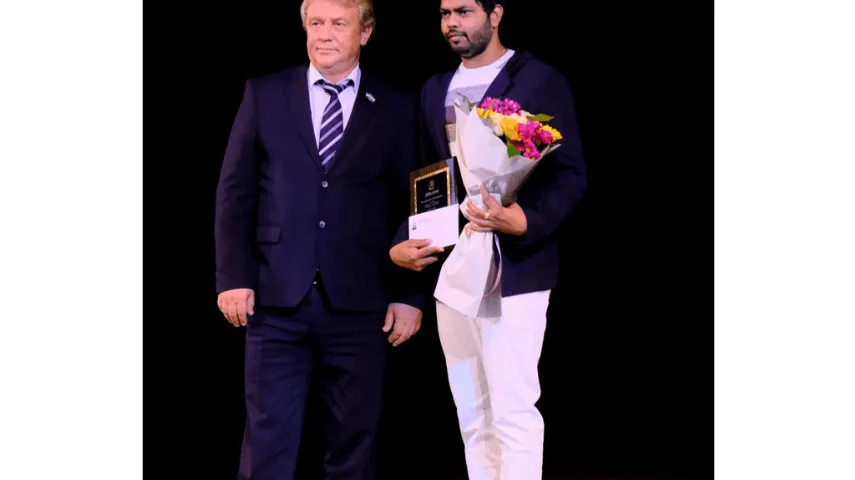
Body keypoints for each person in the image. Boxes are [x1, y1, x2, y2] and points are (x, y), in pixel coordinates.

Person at [214, 0, 425, 478]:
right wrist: (233, 277)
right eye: (315, 23)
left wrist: (409, 294)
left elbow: (412, 203)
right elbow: (234, 193)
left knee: (354, 443)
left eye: (338, 23)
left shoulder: (396, 105)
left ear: (365, 33)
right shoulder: (265, 93)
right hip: (274, 297)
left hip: (362, 302)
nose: (324, 34)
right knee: (267, 441)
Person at [389, 0, 588, 478]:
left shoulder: (537, 78)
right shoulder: (435, 88)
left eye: (464, 11)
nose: (452, 23)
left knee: (512, 411)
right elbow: (427, 178)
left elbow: (570, 174)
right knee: (472, 414)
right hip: (456, 270)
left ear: (495, 14)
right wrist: (406, 240)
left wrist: (526, 220)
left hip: (515, 267)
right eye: (444, 14)